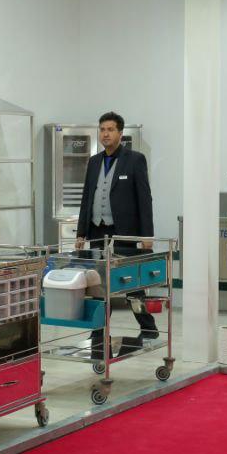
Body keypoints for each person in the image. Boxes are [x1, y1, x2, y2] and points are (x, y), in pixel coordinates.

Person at [75, 111, 158, 357]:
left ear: (120, 133)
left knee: (131, 284)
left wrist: (147, 235)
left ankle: (148, 326)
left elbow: (145, 199)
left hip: (124, 232)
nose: (105, 134)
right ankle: (98, 330)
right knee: (97, 284)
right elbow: (86, 199)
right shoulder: (93, 162)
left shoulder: (135, 160)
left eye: (110, 129)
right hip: (97, 230)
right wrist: (81, 232)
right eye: (102, 129)